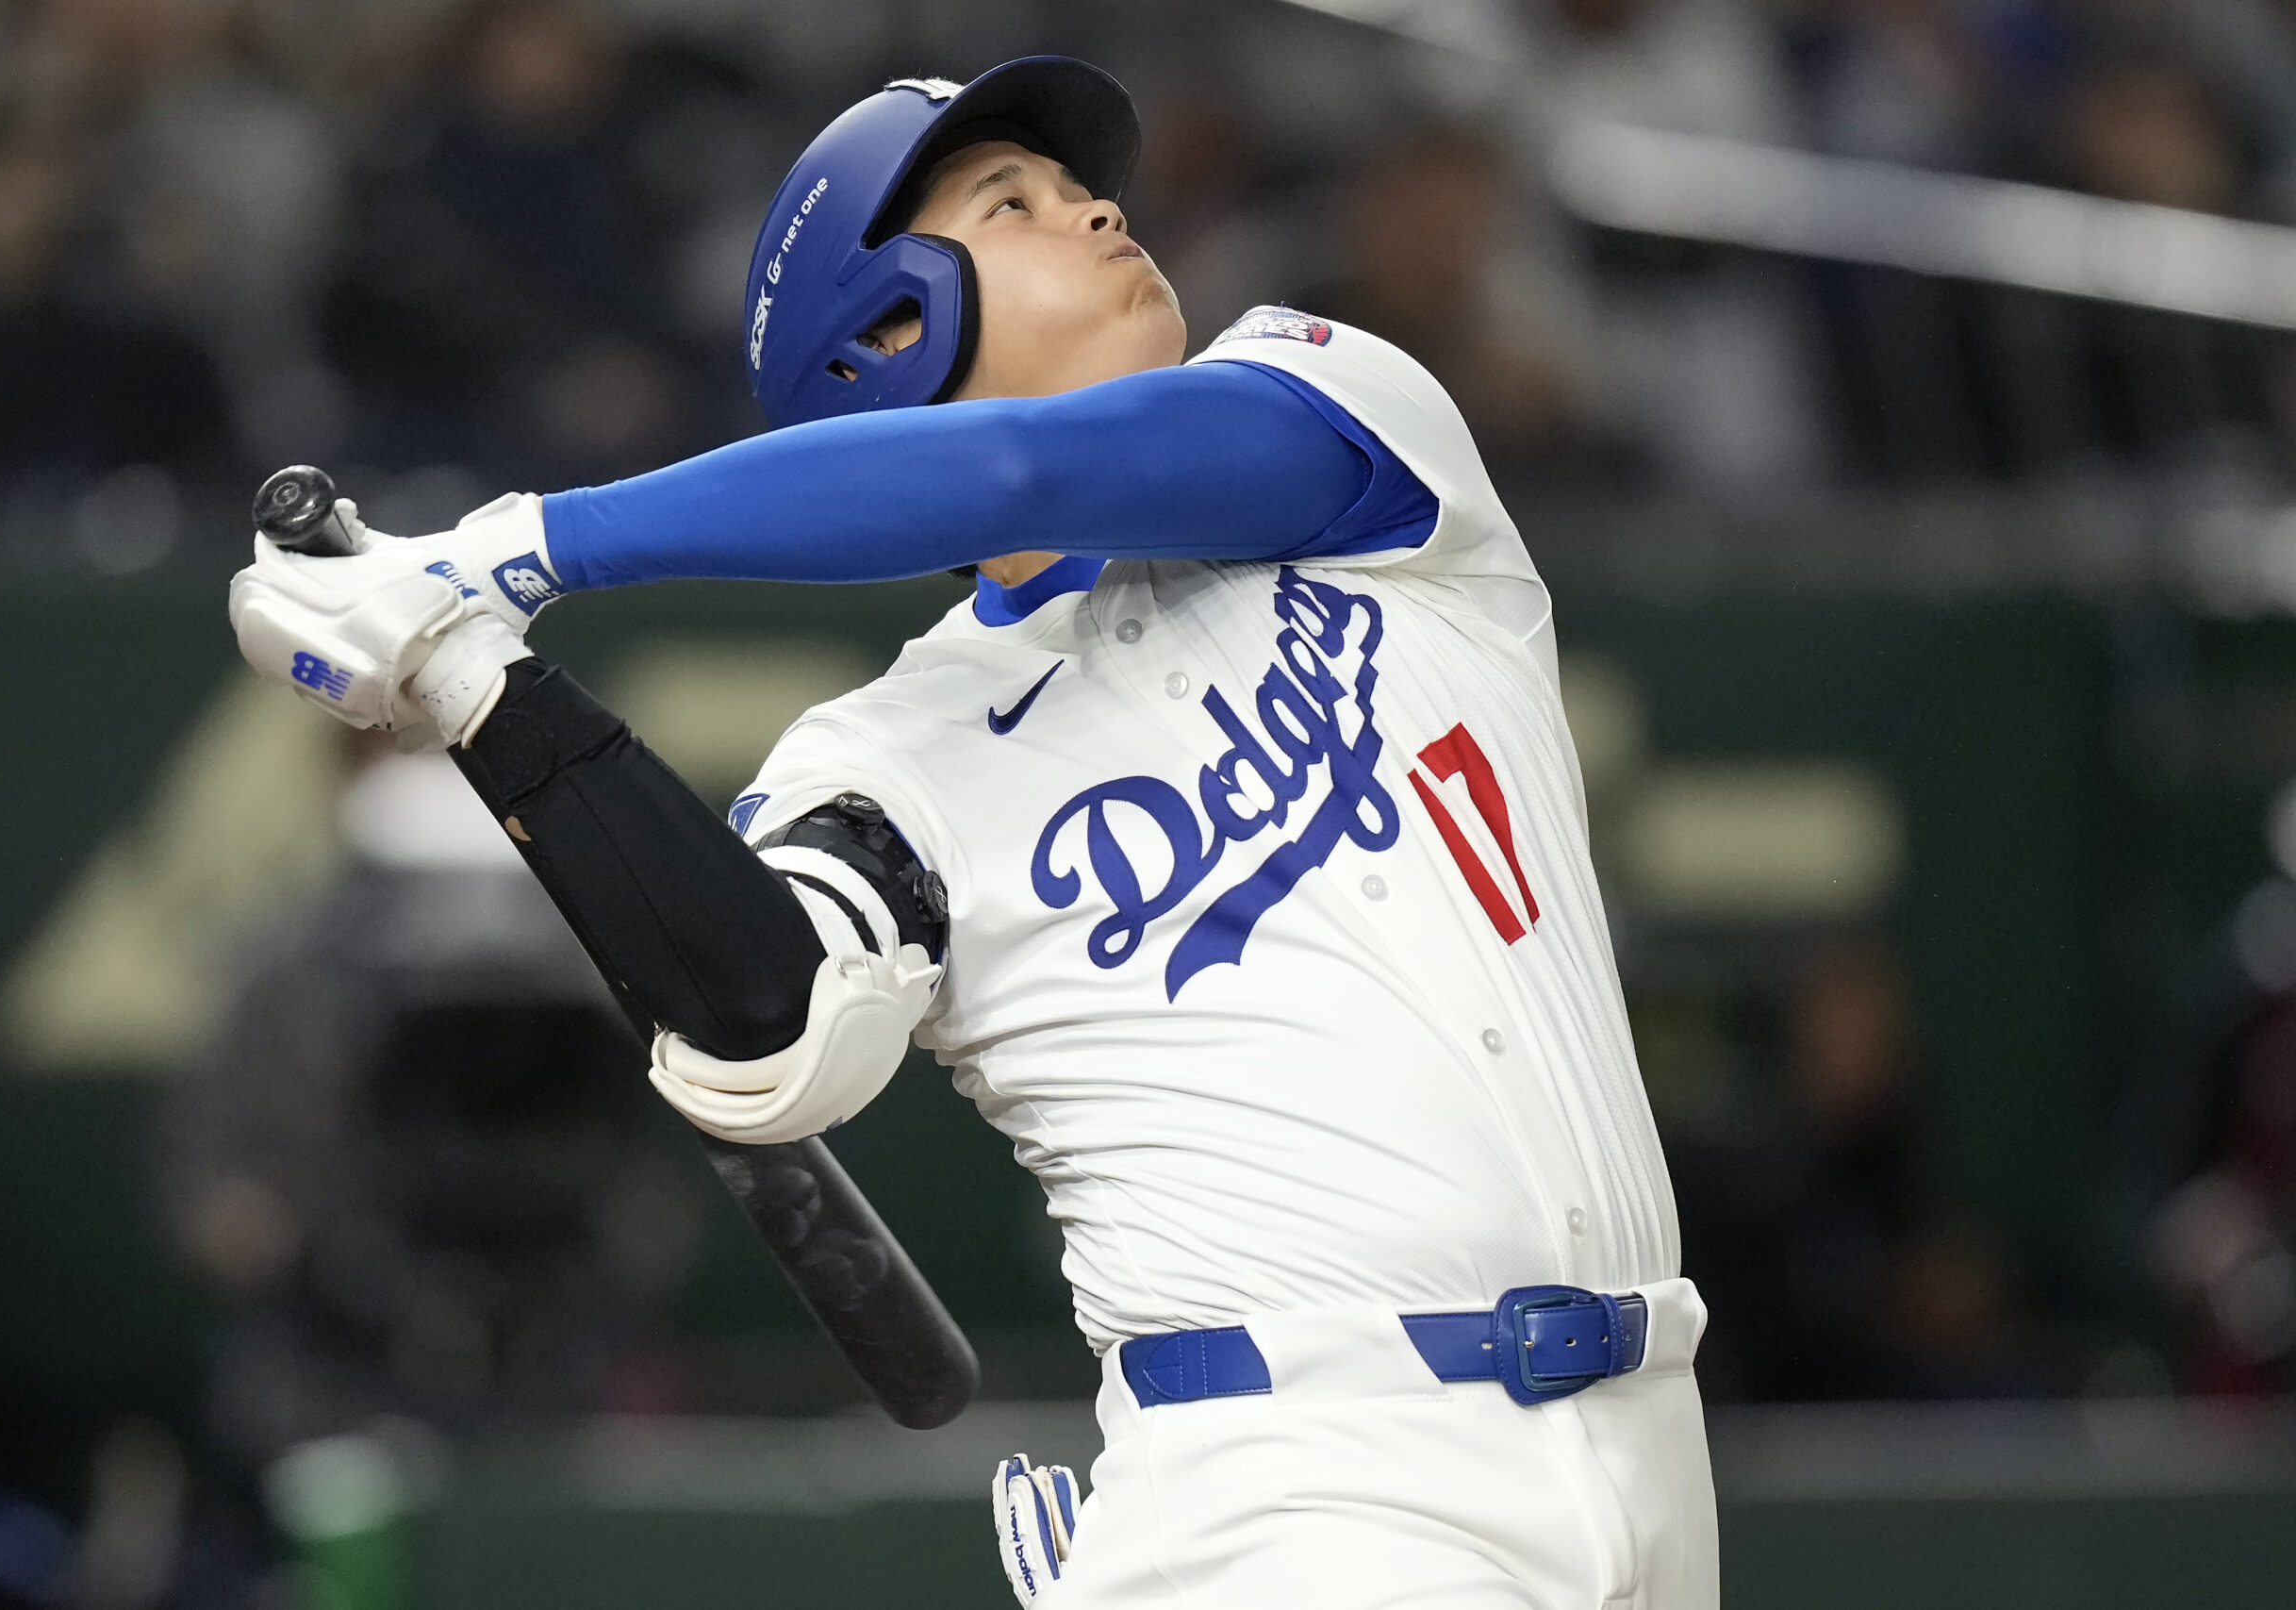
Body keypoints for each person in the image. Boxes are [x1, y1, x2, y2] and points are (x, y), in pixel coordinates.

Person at [227, 58, 1714, 1609]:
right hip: (1302, 1489)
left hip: (1649, 1429)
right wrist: (475, 681)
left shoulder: (1349, 415)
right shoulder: (886, 760)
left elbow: (1023, 470)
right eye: (1012, 203)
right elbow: (769, 1029)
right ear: (887, 336)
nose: (1094, 204)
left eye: (1077, 185)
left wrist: (520, 549)